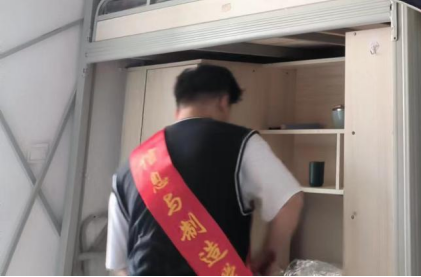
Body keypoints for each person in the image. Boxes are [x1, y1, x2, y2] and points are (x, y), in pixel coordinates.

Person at [105, 64, 303, 276]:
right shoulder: (241, 144)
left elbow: (118, 265)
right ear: (223, 102)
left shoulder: (131, 166)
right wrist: (267, 256)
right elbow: (289, 200)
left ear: (178, 107)